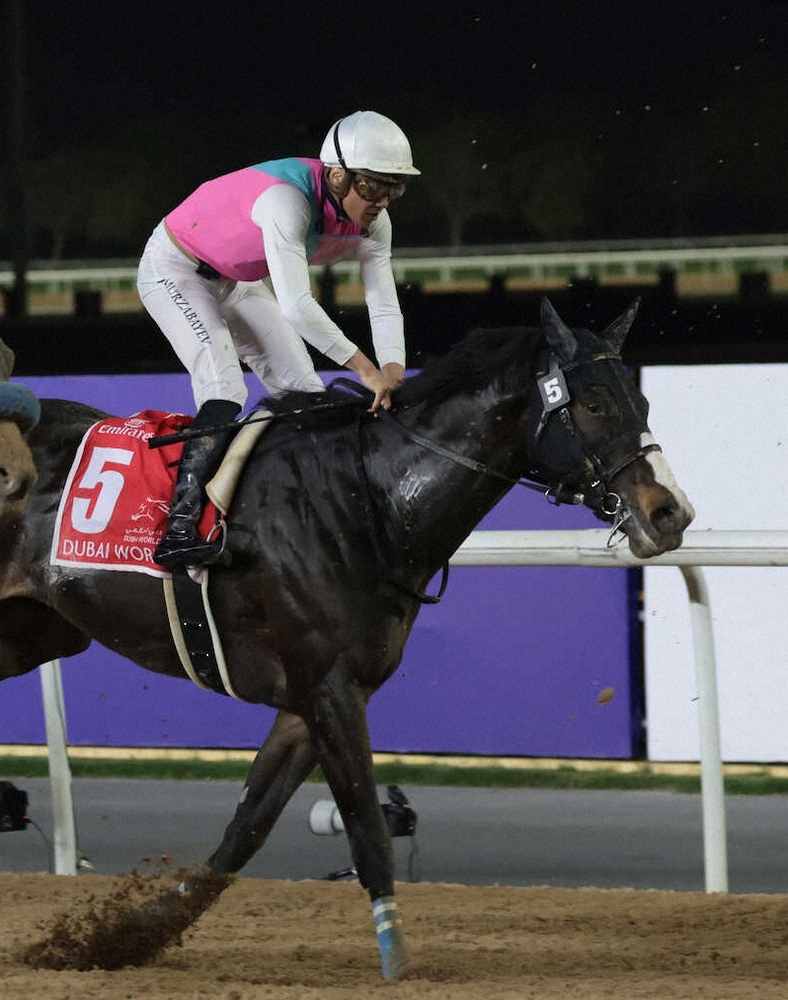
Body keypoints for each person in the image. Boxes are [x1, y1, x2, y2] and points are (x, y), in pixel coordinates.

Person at [136, 110, 420, 569]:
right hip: (174, 269)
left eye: (395, 188)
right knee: (225, 388)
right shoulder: (286, 201)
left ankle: (305, 509)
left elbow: (383, 302)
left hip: (235, 278)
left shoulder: (375, 223)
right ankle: (179, 528)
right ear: (338, 176)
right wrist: (366, 370)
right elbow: (297, 306)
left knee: (306, 395)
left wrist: (393, 369)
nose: (382, 201)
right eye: (372, 186)